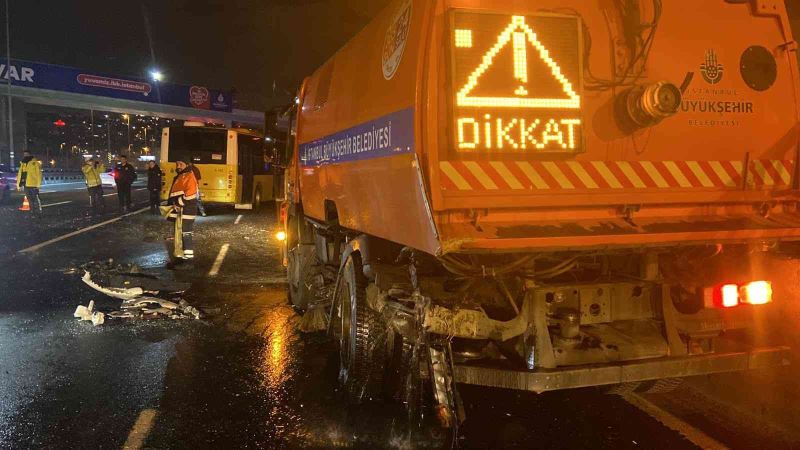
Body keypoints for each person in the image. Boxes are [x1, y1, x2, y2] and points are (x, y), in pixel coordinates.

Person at [166, 159, 199, 267]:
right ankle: (180, 257)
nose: (178, 166)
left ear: (187, 165)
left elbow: (190, 195)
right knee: (179, 235)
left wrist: (178, 204)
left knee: (185, 234)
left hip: (186, 211)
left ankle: (187, 260)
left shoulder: (189, 176)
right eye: (177, 164)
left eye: (181, 164)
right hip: (182, 211)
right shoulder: (182, 175)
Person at [16, 150, 43, 218]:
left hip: (33, 184)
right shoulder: (23, 163)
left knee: (35, 199)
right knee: (30, 200)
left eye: (27, 154)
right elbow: (20, 174)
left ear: (30, 154)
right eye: (24, 154)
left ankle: (39, 213)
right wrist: (18, 185)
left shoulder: (35, 162)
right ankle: (32, 213)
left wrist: (38, 184)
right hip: (25, 184)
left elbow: (39, 174)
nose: (25, 155)